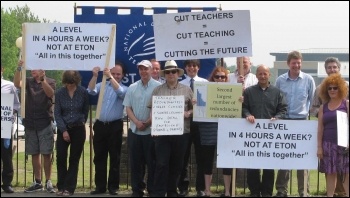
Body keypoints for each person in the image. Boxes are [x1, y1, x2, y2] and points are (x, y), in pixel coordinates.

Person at [148, 60, 193, 197]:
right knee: (161, 163)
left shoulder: (187, 90)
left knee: (177, 164)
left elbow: (195, 108)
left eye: (173, 71)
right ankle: (159, 192)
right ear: (165, 74)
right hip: (162, 133)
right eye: (168, 72)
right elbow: (152, 111)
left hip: (181, 133)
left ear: (178, 73)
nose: (171, 74)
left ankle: (172, 191)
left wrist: (188, 113)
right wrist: (154, 127)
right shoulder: (158, 90)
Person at [274, 51, 316, 197]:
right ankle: (281, 190)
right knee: (284, 157)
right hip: (285, 121)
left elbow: (312, 101)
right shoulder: (280, 80)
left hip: (301, 122)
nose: (296, 65)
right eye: (293, 63)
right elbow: (276, 100)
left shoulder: (308, 79)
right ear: (288, 64)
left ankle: (303, 190)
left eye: (298, 62)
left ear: (301, 63)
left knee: (302, 158)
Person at [242, 65, 288, 197]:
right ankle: (254, 192)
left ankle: (267, 192)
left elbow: (283, 108)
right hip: (252, 133)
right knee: (252, 165)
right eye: (260, 73)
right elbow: (243, 107)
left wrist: (278, 117)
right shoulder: (249, 92)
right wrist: (247, 114)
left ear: (269, 75)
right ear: (256, 75)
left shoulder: (277, 92)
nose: (262, 76)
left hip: (270, 134)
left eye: (265, 73)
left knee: (269, 165)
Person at [13, 60, 56, 193]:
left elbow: (50, 94)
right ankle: (38, 181)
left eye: (36, 68)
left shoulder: (50, 81)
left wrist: (43, 80)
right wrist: (19, 68)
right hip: (31, 123)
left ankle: (48, 181)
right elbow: (16, 84)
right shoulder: (28, 81)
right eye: (31, 67)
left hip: (44, 122)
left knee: (46, 153)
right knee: (34, 153)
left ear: (43, 69)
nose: (32, 69)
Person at [196, 66, 239, 197]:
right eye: (217, 76)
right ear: (212, 77)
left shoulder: (233, 91)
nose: (220, 79)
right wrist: (195, 103)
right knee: (207, 160)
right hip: (208, 129)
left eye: (223, 77)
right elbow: (200, 108)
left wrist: (239, 100)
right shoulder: (204, 90)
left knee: (226, 161)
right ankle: (207, 190)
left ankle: (227, 191)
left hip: (226, 130)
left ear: (227, 78)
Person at [87, 62, 128, 195]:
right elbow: (91, 91)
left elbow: (121, 93)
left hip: (115, 125)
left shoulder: (125, 88)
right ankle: (100, 186)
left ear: (123, 76)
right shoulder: (102, 85)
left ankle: (113, 187)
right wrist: (94, 76)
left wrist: (110, 77)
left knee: (114, 157)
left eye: (118, 74)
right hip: (100, 126)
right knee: (99, 157)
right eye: (113, 73)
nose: (116, 76)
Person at [311, 57, 348, 197]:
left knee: (346, 173)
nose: (332, 69)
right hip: (328, 139)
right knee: (331, 172)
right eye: (329, 67)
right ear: (325, 70)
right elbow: (313, 109)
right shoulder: (320, 89)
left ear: (339, 68)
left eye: (334, 67)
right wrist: (325, 111)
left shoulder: (347, 88)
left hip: (344, 140)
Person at [122, 60, 161, 197]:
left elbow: (159, 108)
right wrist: (137, 122)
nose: (143, 72)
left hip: (151, 132)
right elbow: (128, 107)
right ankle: (137, 190)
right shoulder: (132, 87)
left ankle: (152, 190)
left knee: (152, 164)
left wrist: (148, 122)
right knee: (136, 164)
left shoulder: (158, 87)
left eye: (146, 69)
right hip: (135, 131)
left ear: (151, 70)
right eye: (141, 69)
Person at [223, 57, 258, 197]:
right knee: (229, 155)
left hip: (248, 120)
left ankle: (252, 188)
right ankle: (229, 190)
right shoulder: (229, 77)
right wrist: (235, 88)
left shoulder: (255, 79)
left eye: (245, 62)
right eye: (239, 61)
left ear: (250, 63)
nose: (242, 64)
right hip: (230, 120)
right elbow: (222, 95)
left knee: (248, 155)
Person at [54, 70, 89, 196]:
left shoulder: (83, 92)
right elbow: (57, 113)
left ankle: (69, 188)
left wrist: (81, 122)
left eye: (72, 83)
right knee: (61, 157)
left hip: (78, 128)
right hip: (64, 128)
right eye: (67, 83)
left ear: (76, 81)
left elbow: (85, 111)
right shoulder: (59, 93)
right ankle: (61, 186)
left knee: (74, 159)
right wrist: (64, 130)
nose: (69, 86)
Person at [179, 59, 207, 197]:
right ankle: (183, 187)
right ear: (185, 68)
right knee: (183, 157)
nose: (192, 68)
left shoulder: (205, 83)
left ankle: (200, 188)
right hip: (184, 124)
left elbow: (209, 104)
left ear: (198, 68)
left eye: (194, 66)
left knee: (201, 157)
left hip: (200, 124)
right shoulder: (179, 85)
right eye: (189, 66)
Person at [1, 65, 20, 193]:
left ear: (2, 69)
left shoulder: (9, 85)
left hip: (4, 125)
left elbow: (16, 104)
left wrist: (11, 112)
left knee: (6, 155)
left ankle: (7, 183)